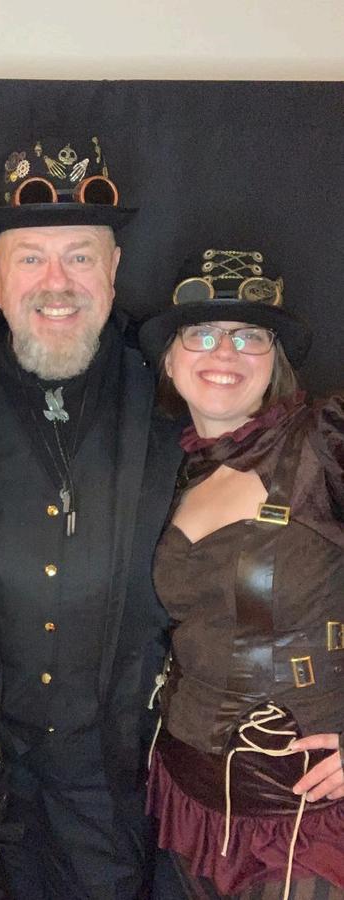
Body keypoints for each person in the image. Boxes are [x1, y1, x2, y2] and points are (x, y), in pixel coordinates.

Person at [0, 135, 183, 899]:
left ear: (113, 270)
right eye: (32, 258)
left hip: (116, 772)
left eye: (79, 256)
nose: (56, 282)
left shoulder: (176, 385)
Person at [138, 247, 344, 899]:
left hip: (303, 804)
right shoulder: (172, 468)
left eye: (249, 335)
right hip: (186, 791)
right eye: (201, 333)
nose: (223, 351)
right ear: (170, 360)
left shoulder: (323, 441)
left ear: (274, 359)